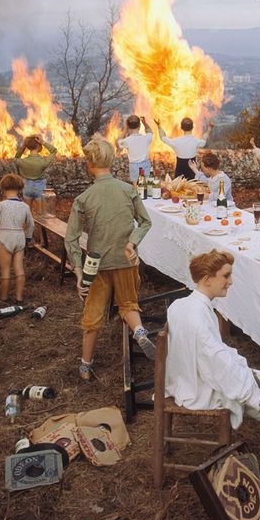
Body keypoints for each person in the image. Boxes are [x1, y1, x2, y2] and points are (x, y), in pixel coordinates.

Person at [165, 249, 260, 468]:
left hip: (188, 377)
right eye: (226, 276)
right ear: (207, 279)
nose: (230, 282)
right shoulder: (198, 316)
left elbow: (213, 357)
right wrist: (255, 396)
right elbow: (216, 363)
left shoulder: (181, 305)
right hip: (200, 386)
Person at [64, 135, 155, 381]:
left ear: (89, 164)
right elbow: (146, 221)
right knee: (128, 303)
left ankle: (85, 366)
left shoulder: (83, 198)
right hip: (126, 259)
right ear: (112, 161)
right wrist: (132, 242)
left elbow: (70, 238)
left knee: (92, 314)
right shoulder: (128, 190)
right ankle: (139, 331)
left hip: (97, 264)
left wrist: (78, 271)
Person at [0, 173, 34, 304]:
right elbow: (31, 225)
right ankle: (19, 297)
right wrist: (28, 239)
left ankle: (4, 297)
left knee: (5, 270)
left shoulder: (2, 205)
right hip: (19, 237)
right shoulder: (25, 206)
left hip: (5, 237)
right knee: (19, 268)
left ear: (3, 189)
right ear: (20, 189)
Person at [14, 135, 58, 214]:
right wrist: (43, 142)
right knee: (42, 213)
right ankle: (42, 226)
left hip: (27, 187)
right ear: (38, 145)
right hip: (39, 188)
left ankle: (29, 226)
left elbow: (16, 158)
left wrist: (24, 145)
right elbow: (54, 151)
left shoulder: (22, 161)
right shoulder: (42, 162)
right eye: (40, 144)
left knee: (27, 212)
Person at [118, 115, 156, 184]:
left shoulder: (127, 141)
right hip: (145, 164)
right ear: (139, 126)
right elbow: (150, 132)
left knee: (136, 185)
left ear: (129, 127)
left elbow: (119, 141)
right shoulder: (146, 138)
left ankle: (137, 194)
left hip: (134, 166)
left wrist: (125, 129)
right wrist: (144, 123)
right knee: (147, 184)